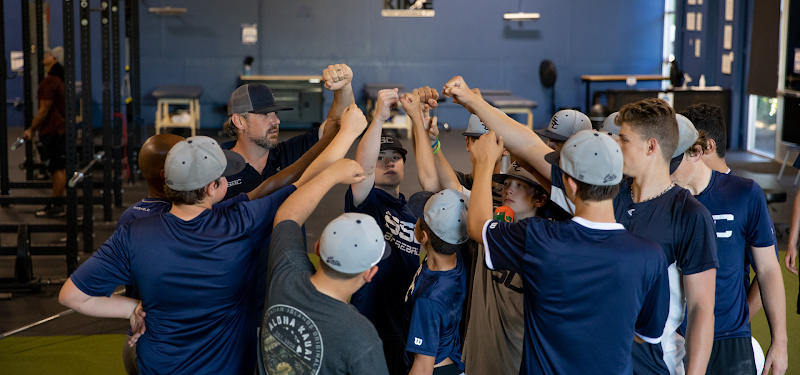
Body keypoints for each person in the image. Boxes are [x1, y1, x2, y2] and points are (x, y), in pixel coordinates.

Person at [58, 103, 368, 375]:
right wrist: (345, 140)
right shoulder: (238, 224)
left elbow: (72, 296)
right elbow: (300, 186)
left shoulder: (133, 233)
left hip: (158, 365)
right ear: (213, 188)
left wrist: (131, 308)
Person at [442, 77, 717, 375]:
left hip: (650, 365)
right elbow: (529, 144)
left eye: (623, 139)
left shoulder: (689, 214)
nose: (614, 144)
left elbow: (701, 308)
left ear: (651, 147)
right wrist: (473, 101)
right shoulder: (607, 188)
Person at [116, 126, 339, 375]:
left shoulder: (132, 221)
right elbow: (272, 189)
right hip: (198, 347)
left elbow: (83, 293)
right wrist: (333, 145)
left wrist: (131, 308)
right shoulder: (217, 219)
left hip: (145, 343)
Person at [466, 129, 669, 374]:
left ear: (570, 185)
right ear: (617, 183)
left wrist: (485, 163)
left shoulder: (538, 238)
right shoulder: (650, 256)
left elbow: (477, 227)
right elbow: (644, 335)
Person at [671, 123, 788, 375]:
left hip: (729, 338)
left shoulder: (743, 193)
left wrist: (780, 341)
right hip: (674, 337)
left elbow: (767, 269)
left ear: (697, 152)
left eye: (673, 161)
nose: (667, 171)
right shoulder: (663, 199)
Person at [261, 159, 391, 374]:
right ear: (370, 273)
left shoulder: (285, 275)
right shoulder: (360, 336)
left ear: (318, 247)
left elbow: (288, 215)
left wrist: (331, 174)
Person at [347, 88, 421, 375]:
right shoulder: (368, 203)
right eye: (381, 157)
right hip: (370, 326)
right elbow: (362, 171)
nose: (389, 162)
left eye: (395, 157)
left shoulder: (412, 212)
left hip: (402, 328)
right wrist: (377, 118)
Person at [221, 63, 354, 200]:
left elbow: (335, 126)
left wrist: (343, 87)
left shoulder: (288, 154)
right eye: (265, 114)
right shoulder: (215, 166)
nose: (276, 121)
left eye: (275, 113)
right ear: (239, 121)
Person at [402, 189, 469, 375]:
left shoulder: (428, 300)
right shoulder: (457, 255)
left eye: (418, 218)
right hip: (451, 360)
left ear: (424, 237)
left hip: (436, 368)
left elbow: (422, 369)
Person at [22, 46, 66, 217]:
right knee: (57, 168)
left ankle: (57, 205)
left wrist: (31, 129)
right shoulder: (58, 80)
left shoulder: (51, 81)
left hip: (54, 131)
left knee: (57, 169)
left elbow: (44, 109)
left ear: (54, 60)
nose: (45, 56)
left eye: (48, 55)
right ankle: (57, 204)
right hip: (58, 130)